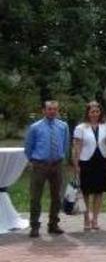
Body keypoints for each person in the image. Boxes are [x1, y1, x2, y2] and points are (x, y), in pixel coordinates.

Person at [25, 100, 70, 238]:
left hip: (57, 165)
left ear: (58, 111)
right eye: (49, 109)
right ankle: (34, 226)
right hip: (40, 165)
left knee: (56, 196)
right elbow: (28, 147)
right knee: (35, 197)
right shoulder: (35, 127)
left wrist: (63, 159)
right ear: (43, 111)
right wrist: (33, 161)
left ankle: (53, 224)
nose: (52, 111)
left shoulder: (63, 126)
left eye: (55, 109)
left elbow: (66, 144)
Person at [72, 101, 106, 232]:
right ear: (88, 113)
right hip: (86, 161)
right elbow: (77, 147)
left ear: (100, 112)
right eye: (92, 111)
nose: (95, 114)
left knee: (99, 191)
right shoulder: (81, 128)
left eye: (97, 111)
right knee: (86, 191)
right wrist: (76, 163)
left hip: (101, 160)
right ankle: (86, 218)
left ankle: (95, 219)